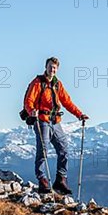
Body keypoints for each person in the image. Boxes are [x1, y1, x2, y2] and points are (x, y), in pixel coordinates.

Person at [24, 57, 89, 195]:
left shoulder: (57, 84)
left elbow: (67, 102)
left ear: (57, 69)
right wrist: (31, 111)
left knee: (63, 148)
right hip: (42, 120)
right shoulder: (37, 83)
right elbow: (28, 101)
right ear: (46, 67)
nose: (52, 69)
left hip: (55, 121)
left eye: (54, 67)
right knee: (43, 150)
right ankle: (42, 179)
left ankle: (61, 179)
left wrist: (79, 114)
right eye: (50, 67)